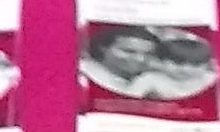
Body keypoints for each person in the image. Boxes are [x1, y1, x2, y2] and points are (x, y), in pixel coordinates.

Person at [80, 25, 211, 99]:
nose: (139, 59)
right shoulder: (86, 72)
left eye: (147, 54)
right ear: (103, 48)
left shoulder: (155, 75)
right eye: (129, 51)